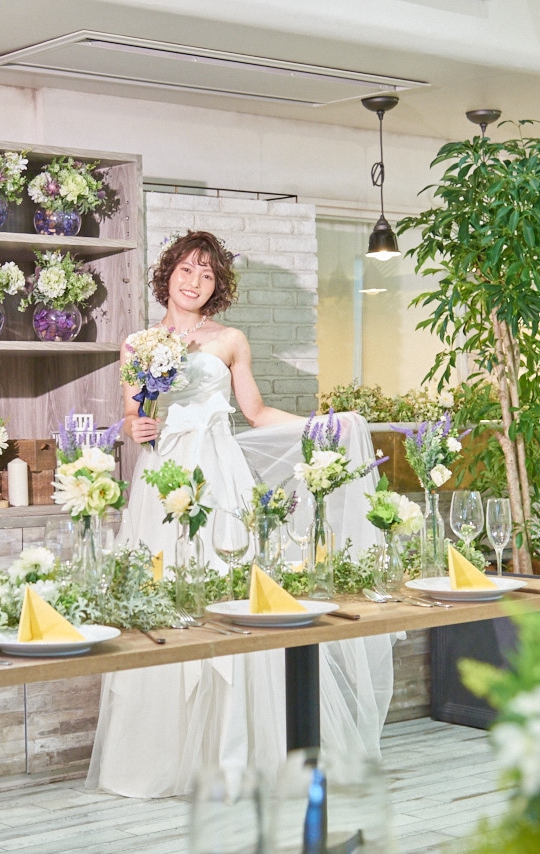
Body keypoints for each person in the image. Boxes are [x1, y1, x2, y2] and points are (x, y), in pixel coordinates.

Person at [86, 231, 397, 798]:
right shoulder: (138, 344)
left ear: (218, 286)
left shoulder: (230, 340)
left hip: (220, 474)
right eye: (187, 269)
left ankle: (238, 754)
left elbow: (254, 412)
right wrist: (135, 426)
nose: (195, 282)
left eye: (207, 274)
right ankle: (163, 755)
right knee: (162, 589)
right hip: (161, 478)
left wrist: (324, 426)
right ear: (168, 274)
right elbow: (130, 415)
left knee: (228, 586)